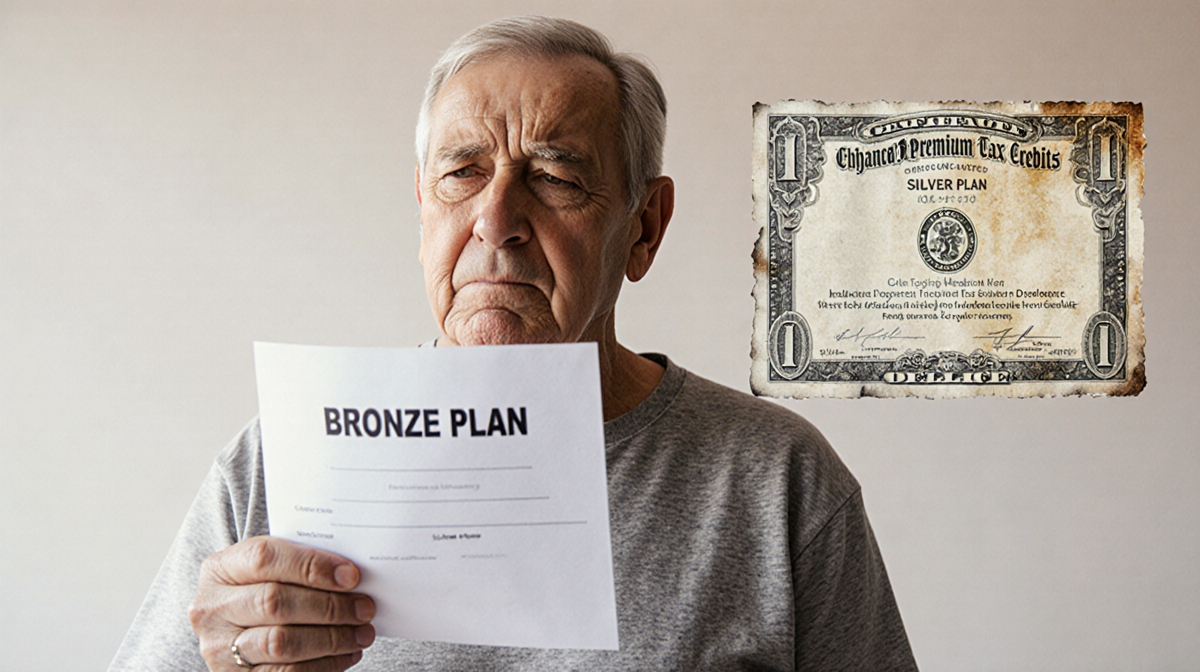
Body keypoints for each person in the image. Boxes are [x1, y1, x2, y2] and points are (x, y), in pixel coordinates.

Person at [110, 16, 918, 672]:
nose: (495, 221)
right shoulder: (278, 465)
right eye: (462, 173)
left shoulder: (776, 480)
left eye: (555, 177)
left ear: (645, 225)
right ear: (422, 207)